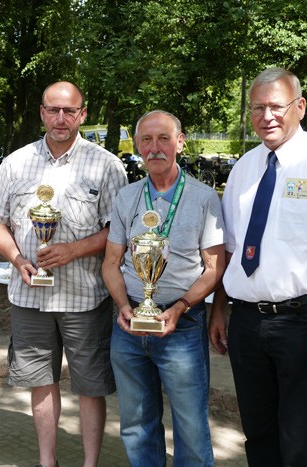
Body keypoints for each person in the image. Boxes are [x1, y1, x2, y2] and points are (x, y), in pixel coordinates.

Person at [209, 67, 307, 466]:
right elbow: (233, 248)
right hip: (245, 324)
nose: (267, 116)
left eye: (276, 106)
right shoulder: (245, 167)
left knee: (299, 442)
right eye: (258, 107)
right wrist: (221, 309)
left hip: (302, 324)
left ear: (299, 107)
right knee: (258, 436)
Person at [0, 81, 128, 467]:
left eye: (69, 111)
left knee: (90, 386)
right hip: (29, 295)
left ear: (82, 114)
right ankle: (48, 462)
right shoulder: (16, 162)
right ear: (42, 113)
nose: (61, 118)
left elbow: (120, 230)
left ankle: (90, 463)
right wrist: (16, 260)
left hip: (84, 296)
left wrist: (74, 250)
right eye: (53, 110)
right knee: (39, 381)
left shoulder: (106, 165)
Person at [101, 110, 225, 466]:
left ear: (180, 142)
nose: (155, 148)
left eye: (164, 139)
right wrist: (123, 305)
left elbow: (215, 267)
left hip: (182, 325)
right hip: (128, 325)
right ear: (138, 146)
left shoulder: (204, 198)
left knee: (190, 426)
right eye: (146, 140)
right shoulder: (127, 197)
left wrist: (181, 306)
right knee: (136, 425)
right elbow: (111, 262)